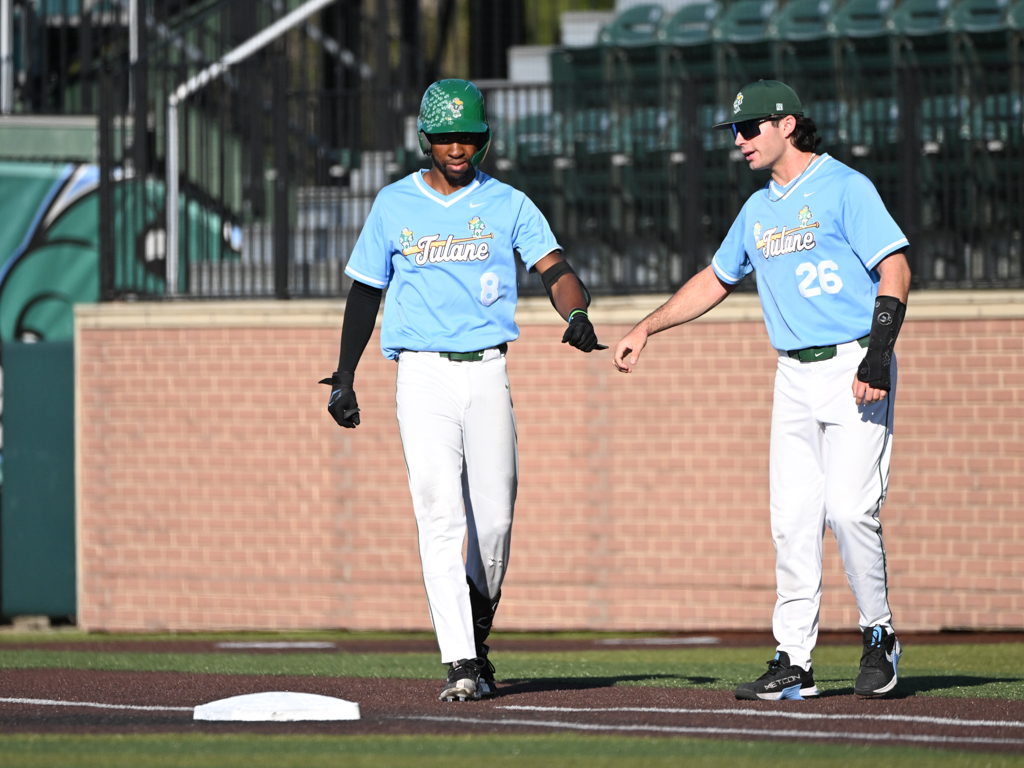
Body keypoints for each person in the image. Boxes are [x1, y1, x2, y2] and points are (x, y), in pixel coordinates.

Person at [613, 80, 911, 700]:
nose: (740, 140)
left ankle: (878, 633)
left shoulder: (845, 186)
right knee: (793, 520)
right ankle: (793, 658)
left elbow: (895, 267)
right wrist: (647, 326)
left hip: (854, 362)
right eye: (735, 132)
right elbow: (716, 280)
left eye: (750, 129)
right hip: (793, 376)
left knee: (851, 509)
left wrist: (879, 355)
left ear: (788, 125)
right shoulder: (756, 210)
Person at [321, 79, 604, 702]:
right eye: (447, 135)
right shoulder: (394, 204)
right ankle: (461, 665)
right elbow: (366, 292)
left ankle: (476, 632)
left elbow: (556, 269)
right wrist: (346, 374)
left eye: (469, 136)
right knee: (440, 516)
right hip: (421, 374)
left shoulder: (509, 203)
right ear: (425, 138)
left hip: (486, 371)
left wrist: (576, 314)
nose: (458, 146)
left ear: (485, 140)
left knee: (496, 523)